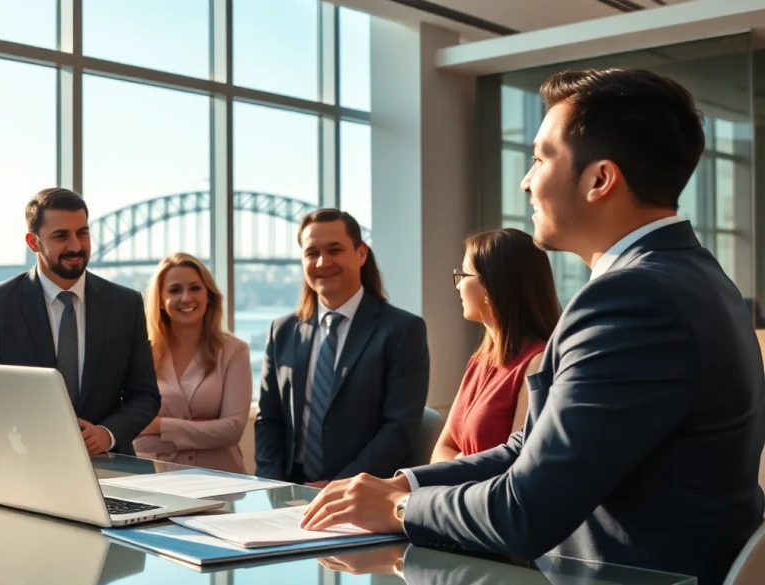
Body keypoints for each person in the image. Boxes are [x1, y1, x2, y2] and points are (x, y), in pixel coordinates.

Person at [300, 68, 765, 585]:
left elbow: (524, 511)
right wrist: (399, 483)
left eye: (541, 158)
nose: (526, 180)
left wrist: (398, 509)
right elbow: (528, 448)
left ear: (600, 179)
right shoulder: (694, 276)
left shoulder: (632, 297)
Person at [0, 187, 160, 456]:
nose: (76, 246)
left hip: (110, 466)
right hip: (23, 467)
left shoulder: (126, 304)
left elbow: (145, 395)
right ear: (33, 242)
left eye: (82, 233)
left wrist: (107, 433)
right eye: (61, 236)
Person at [254, 208, 430, 487]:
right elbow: (269, 421)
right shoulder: (282, 331)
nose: (323, 262)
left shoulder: (402, 330)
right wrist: (274, 489)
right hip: (290, 493)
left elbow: (399, 428)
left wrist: (337, 487)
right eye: (312, 253)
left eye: (335, 250)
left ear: (361, 254)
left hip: (365, 491)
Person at [431, 228, 560, 463]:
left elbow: (516, 464)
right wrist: (464, 462)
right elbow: (441, 449)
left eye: (463, 275)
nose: (458, 286)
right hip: (455, 496)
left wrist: (457, 462)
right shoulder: (480, 359)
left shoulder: (537, 362)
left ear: (491, 285)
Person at [133, 253, 252, 474]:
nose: (186, 298)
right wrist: (206, 431)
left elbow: (232, 431)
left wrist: (159, 426)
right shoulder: (141, 353)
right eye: (175, 290)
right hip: (159, 482)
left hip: (224, 483)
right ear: (160, 300)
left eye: (195, 288)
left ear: (209, 295)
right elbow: (136, 439)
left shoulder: (234, 351)